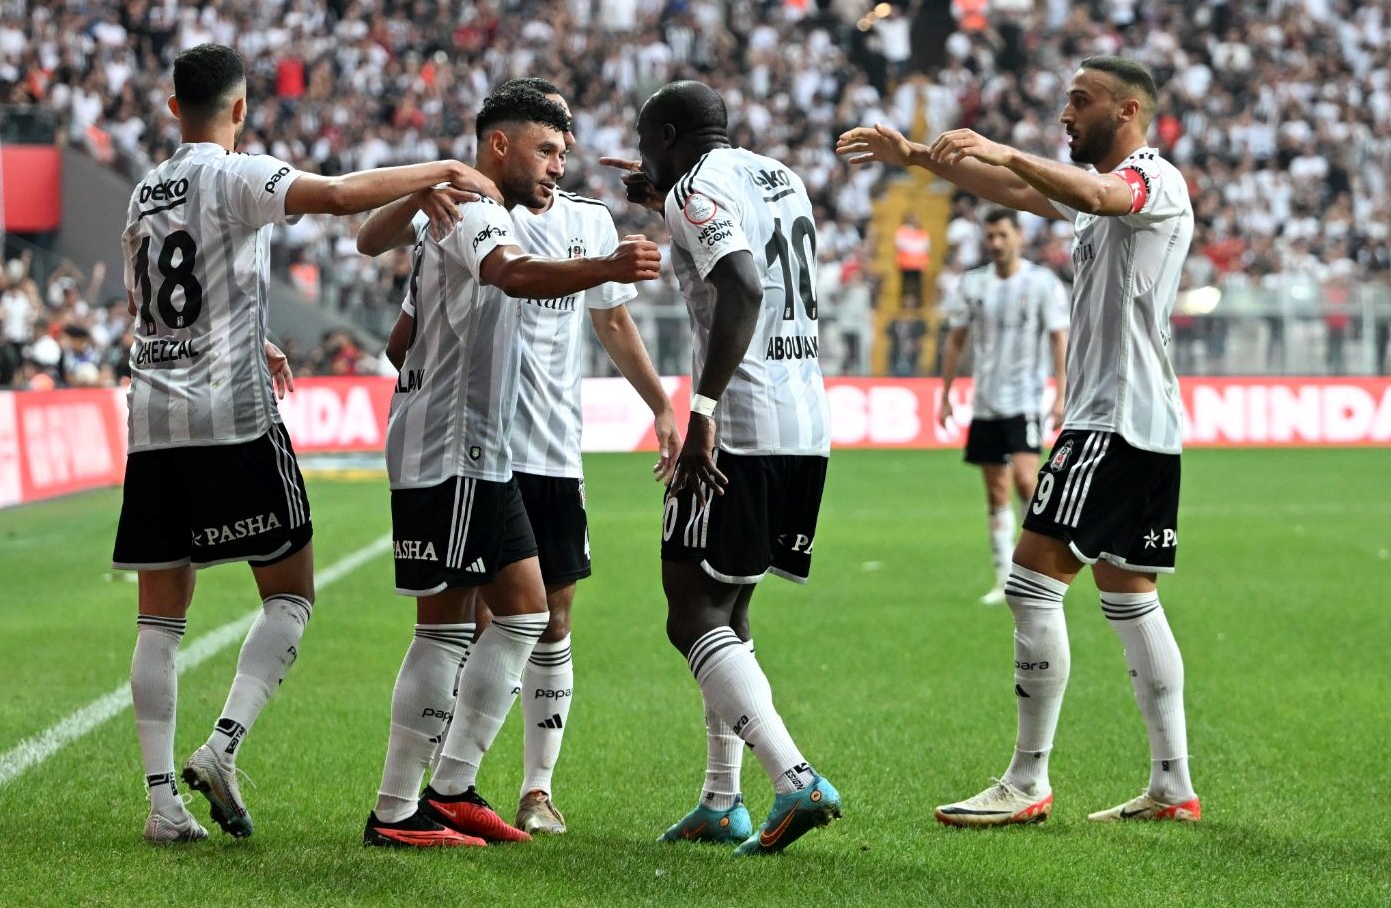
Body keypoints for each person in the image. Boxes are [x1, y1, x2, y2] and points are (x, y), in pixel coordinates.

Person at [113, 42, 501, 845]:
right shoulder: (236, 173)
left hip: (152, 420)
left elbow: (159, 307)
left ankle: (161, 805)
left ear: (173, 107)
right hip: (231, 419)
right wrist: (439, 169)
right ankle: (223, 747)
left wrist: (250, 336)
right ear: (240, 108)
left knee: (160, 619)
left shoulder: (144, 193)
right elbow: (342, 195)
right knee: (290, 594)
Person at [840, 55, 1201, 825]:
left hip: (1111, 421)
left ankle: (1027, 779)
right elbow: (1016, 190)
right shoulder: (1099, 196)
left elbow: (1093, 192)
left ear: (1128, 111)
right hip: (1141, 422)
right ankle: (1173, 785)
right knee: (1130, 598)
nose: (1066, 113)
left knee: (1032, 584)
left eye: (1081, 100)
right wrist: (917, 157)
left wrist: (1002, 147)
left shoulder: (1151, 179)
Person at [358, 77, 679, 837]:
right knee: (449, 627)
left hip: (497, 449)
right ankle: (399, 808)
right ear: (500, 144)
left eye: (564, 152)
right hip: (456, 444)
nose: (559, 165)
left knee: (531, 613)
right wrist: (606, 268)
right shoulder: (470, 207)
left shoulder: (490, 208)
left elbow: (406, 333)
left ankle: (460, 789)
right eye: (546, 149)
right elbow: (507, 274)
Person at [605, 79, 842, 856]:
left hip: (740, 423)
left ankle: (794, 777)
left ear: (669, 136)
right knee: (729, 613)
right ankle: (721, 800)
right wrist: (666, 201)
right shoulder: (781, 176)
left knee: (690, 611)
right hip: (804, 421)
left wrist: (702, 414)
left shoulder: (694, 188)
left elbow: (742, 285)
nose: (644, 159)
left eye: (647, 145)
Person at [937, 208, 1069, 605]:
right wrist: (945, 394)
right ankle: (1004, 578)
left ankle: (1038, 571)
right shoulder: (973, 284)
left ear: (1019, 237)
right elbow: (956, 339)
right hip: (985, 402)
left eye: (1002, 235)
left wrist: (1060, 394)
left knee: (1028, 481)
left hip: (1025, 399)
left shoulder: (1041, 282)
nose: (995, 243)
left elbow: (1059, 339)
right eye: (990, 236)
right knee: (996, 492)